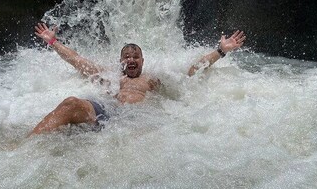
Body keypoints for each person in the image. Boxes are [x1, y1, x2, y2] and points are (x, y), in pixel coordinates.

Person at [29, 23, 246, 135]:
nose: (131, 60)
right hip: (106, 111)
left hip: (135, 121)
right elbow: (77, 60)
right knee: (70, 103)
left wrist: (221, 51)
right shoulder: (109, 75)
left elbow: (191, 72)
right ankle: (23, 147)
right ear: (120, 60)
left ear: (142, 60)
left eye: (135, 57)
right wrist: (52, 41)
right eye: (127, 57)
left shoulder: (153, 79)